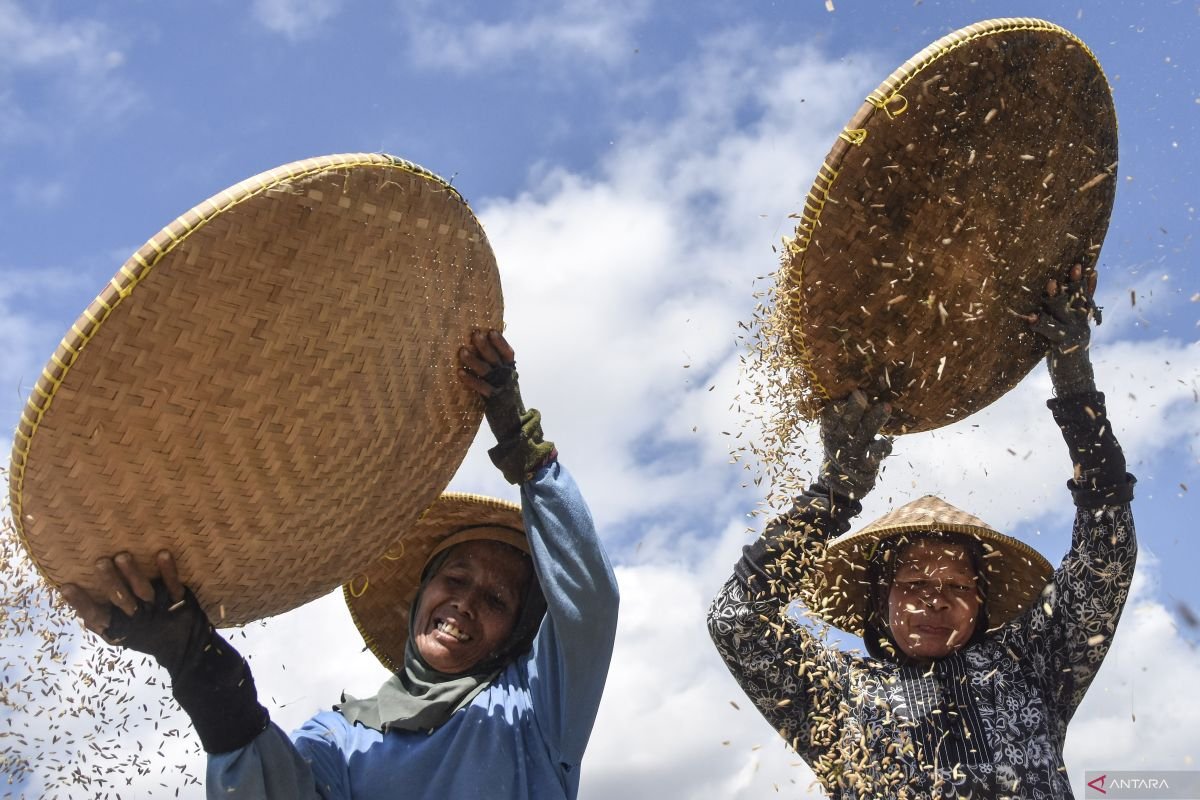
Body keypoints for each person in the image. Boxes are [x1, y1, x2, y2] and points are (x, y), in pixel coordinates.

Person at [62, 330, 620, 800]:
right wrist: (198, 665)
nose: (466, 602)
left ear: (514, 635)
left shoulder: (533, 713)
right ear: (422, 593)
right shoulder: (339, 737)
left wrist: (520, 444)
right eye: (454, 578)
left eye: (497, 601)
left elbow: (589, 605)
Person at [708, 265, 1137, 799]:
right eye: (914, 585)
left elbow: (1105, 557)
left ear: (981, 601)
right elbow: (736, 619)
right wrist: (834, 494)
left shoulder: (1034, 665)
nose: (936, 602)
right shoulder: (837, 693)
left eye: (958, 587)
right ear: (879, 597)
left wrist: (1075, 384)